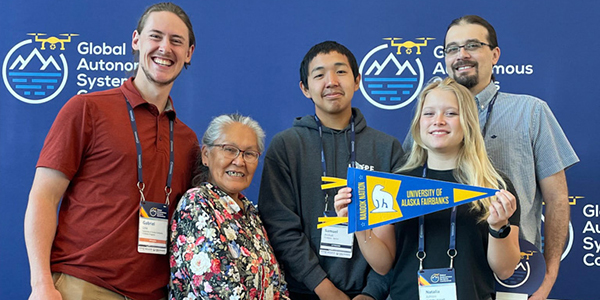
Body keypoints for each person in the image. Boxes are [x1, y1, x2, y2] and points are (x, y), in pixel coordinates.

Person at [24, 3, 198, 299]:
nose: (164, 48)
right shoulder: (87, 109)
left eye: (176, 41)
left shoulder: (188, 140)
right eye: (155, 36)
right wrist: (41, 283)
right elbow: (43, 196)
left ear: (189, 53)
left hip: (154, 293)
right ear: (136, 41)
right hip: (82, 286)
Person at [336, 77, 521, 299]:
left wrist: (499, 227)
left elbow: (505, 269)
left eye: (451, 113)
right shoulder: (394, 184)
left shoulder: (494, 186)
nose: (439, 120)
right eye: (429, 113)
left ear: (469, 122)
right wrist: (358, 222)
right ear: (418, 123)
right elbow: (383, 265)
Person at [436, 15, 579, 299]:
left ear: (495, 54)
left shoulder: (531, 112)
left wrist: (548, 278)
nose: (461, 55)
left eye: (472, 45)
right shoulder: (431, 122)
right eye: (452, 48)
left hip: (513, 278)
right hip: (445, 275)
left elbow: (558, 200)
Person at [258, 41, 404, 300]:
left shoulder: (387, 148)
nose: (331, 81)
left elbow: (399, 231)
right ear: (305, 88)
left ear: (357, 80)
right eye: (319, 75)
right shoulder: (287, 146)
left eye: (340, 71)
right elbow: (280, 227)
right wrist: (324, 289)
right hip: (302, 291)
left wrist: (372, 293)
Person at [169, 114, 289, 300]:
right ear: (206, 155)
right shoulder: (196, 204)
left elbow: (276, 285)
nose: (239, 161)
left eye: (249, 154)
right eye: (229, 150)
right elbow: (217, 291)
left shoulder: (250, 213)